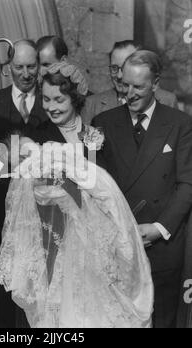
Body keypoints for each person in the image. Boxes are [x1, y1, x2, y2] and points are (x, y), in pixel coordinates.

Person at [0, 62, 154, 328]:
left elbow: (109, 186)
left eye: (59, 99)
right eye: (46, 99)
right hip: (53, 247)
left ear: (76, 99)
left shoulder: (95, 134)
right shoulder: (36, 136)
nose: (51, 107)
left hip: (96, 250)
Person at [92, 50, 192, 328]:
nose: (129, 94)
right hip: (117, 245)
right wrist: (119, 228)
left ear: (156, 84)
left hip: (161, 248)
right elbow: (96, 185)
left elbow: (187, 184)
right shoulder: (103, 123)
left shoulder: (181, 124)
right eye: (125, 85)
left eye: (138, 86)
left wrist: (160, 228)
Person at [0, 39, 48, 328]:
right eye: (19, 67)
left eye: (31, 67)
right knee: (6, 281)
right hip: (1, 208)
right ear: (8, 68)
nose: (26, 74)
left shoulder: (50, 101)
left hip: (41, 208)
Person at [82, 40, 178, 124]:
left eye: (125, 68)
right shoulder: (93, 105)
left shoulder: (167, 101)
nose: (119, 76)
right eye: (114, 68)